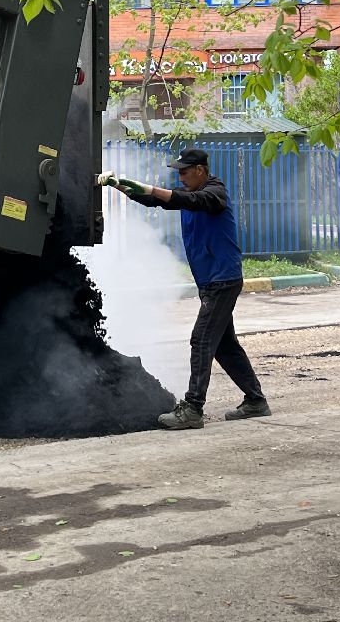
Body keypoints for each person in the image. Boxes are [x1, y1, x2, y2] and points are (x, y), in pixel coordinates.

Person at [100, 148, 269, 430]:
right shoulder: (189, 196)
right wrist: (121, 186)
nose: (179, 176)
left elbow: (195, 200)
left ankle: (193, 409)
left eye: (183, 171)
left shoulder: (215, 193)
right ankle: (256, 401)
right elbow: (158, 200)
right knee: (225, 346)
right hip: (211, 281)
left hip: (222, 280)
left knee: (201, 340)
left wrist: (154, 188)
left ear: (200, 170)